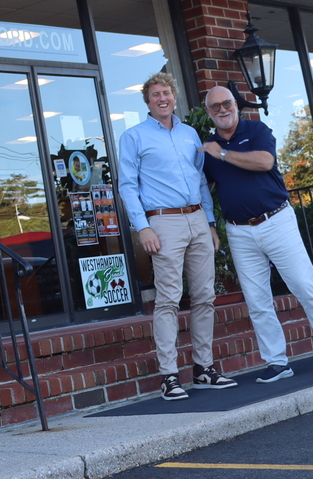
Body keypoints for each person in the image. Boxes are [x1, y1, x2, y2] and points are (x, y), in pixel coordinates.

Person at [199, 84, 313, 381]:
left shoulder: (255, 130)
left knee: (303, 284)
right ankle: (276, 362)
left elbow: (264, 162)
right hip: (239, 231)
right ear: (208, 112)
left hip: (276, 220)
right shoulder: (207, 148)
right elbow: (204, 188)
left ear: (235, 104)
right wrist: (208, 223)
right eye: (215, 107)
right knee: (257, 300)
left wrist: (222, 153)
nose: (222, 109)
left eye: (226, 103)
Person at [117, 72, 236, 400]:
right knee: (168, 299)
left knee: (205, 296)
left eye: (166, 92)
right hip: (163, 222)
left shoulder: (189, 134)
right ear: (148, 101)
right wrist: (142, 227)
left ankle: (204, 369)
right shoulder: (134, 136)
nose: (162, 98)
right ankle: (169, 376)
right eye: (155, 94)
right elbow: (127, 185)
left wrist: (210, 223)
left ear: (173, 96)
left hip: (197, 218)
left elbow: (200, 181)